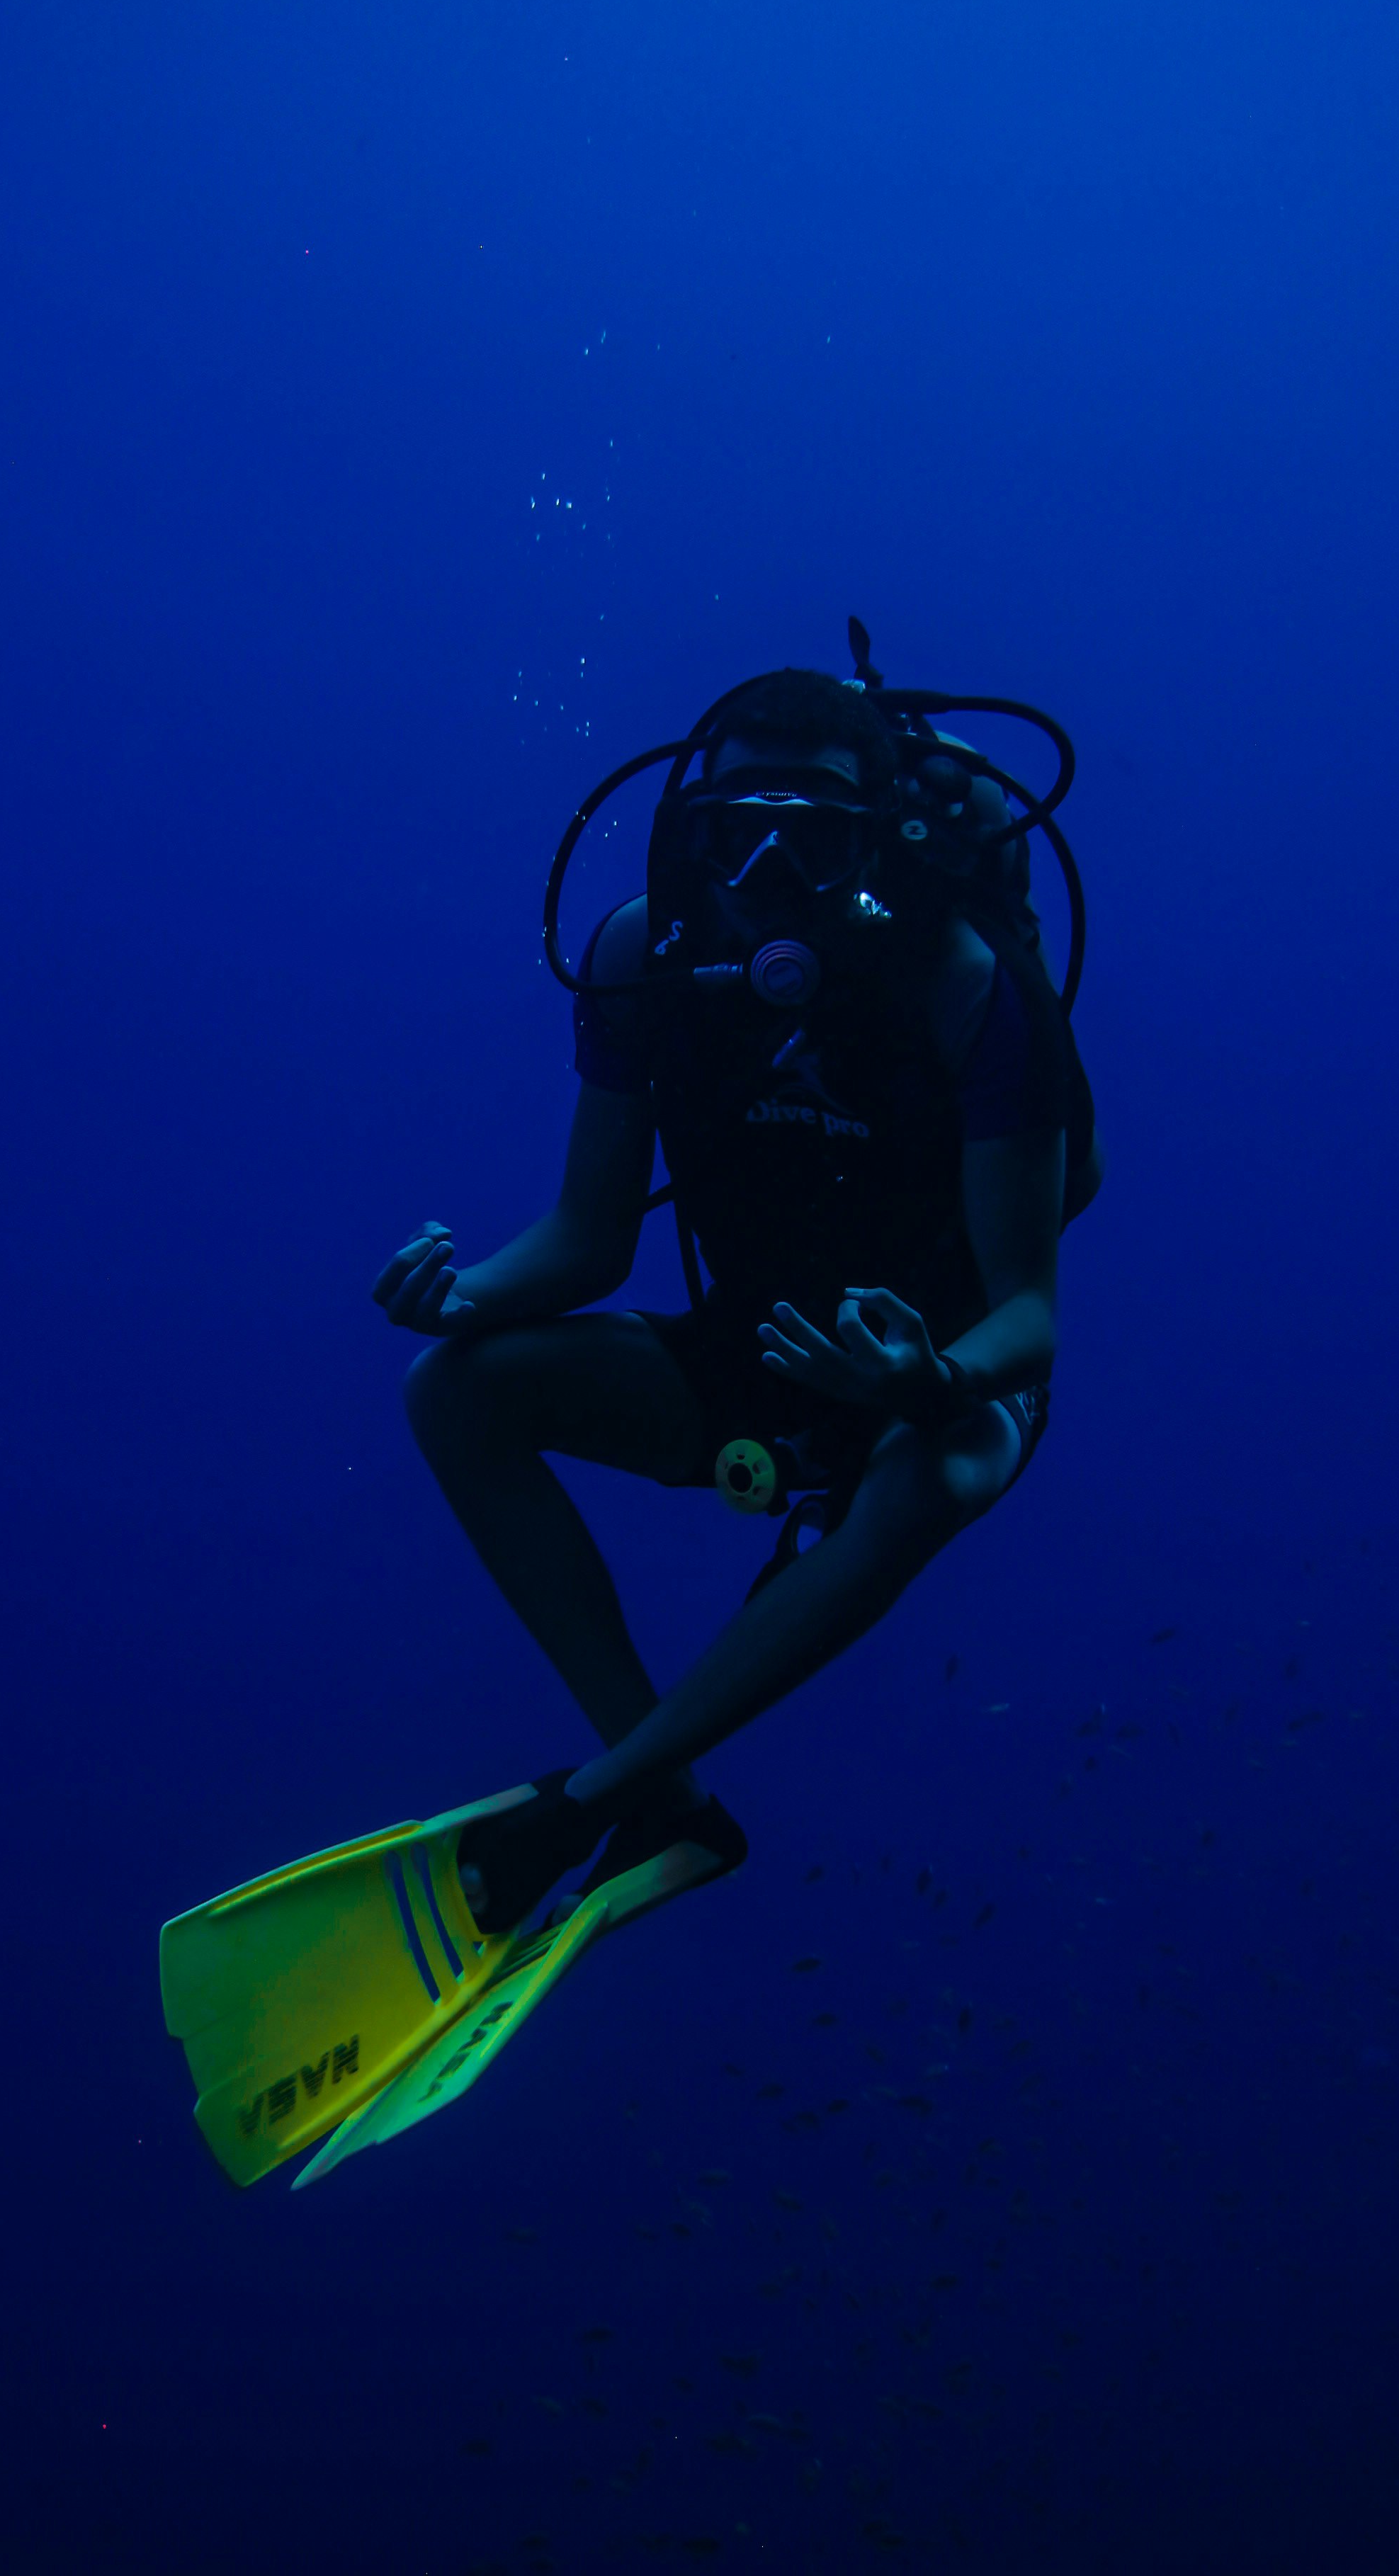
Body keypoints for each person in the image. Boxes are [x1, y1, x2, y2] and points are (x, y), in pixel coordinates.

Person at [371, 663, 1100, 1939]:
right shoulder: (640, 954)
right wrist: (463, 1296)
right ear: (688, 824)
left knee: (926, 1477)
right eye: (736, 826)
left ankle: (594, 1798)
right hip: (756, 1347)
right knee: (457, 1392)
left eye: (811, 832)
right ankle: (669, 1806)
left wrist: (925, 1381)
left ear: (879, 834)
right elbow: (588, 1242)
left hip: (942, 1368)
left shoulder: (967, 982)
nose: (768, 865)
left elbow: (1029, 1311)